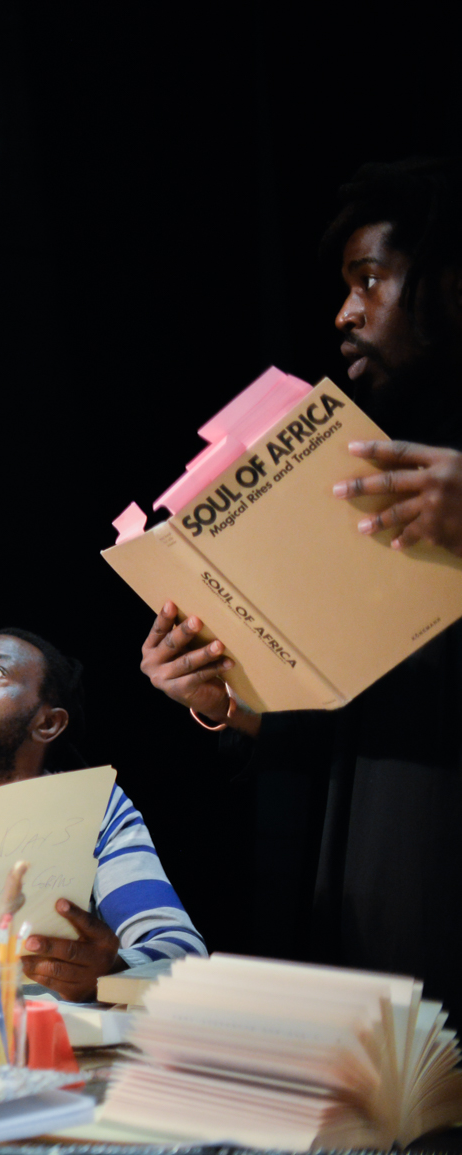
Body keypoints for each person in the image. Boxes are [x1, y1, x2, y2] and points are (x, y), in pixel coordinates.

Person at [138, 157, 462, 1001]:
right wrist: (220, 698)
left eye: (371, 280)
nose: (345, 312)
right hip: (360, 881)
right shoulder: (370, 460)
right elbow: (342, 715)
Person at [0, 629, 207, 1001]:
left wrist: (115, 970)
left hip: (42, 1049)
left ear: (48, 723)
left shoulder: (93, 807)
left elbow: (181, 952)